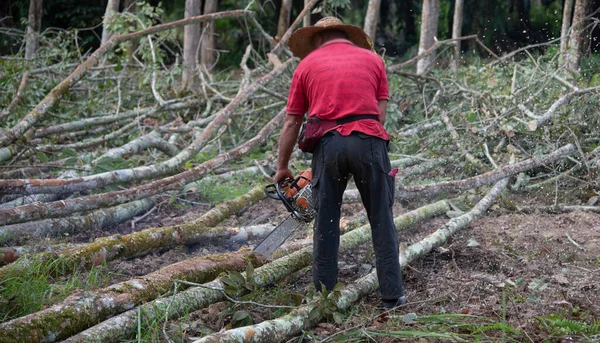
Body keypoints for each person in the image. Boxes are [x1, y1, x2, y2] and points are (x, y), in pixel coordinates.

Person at [273, 17, 407, 310]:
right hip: (370, 141)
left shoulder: (306, 65)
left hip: (328, 145)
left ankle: (324, 296)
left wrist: (282, 167)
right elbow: (380, 115)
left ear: (317, 39)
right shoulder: (373, 61)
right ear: (347, 36)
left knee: (326, 221)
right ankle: (392, 297)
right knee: (382, 219)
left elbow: (293, 120)